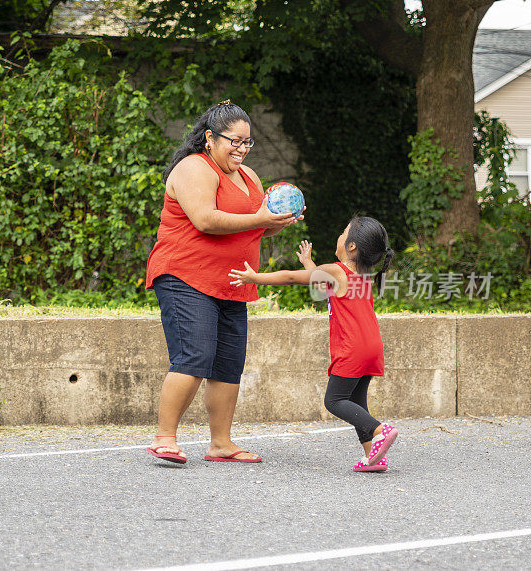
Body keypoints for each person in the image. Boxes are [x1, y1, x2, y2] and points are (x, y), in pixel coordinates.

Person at [145, 100, 300, 465]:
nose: (242, 150)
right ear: (210, 138)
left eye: (248, 143)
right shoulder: (193, 168)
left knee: (229, 362)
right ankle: (164, 437)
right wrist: (260, 217)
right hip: (186, 276)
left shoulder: (249, 177)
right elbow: (205, 220)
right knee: (194, 356)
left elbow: (254, 221)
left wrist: (274, 221)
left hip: (232, 279)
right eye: (235, 141)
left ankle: (221, 443)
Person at [229, 216, 398, 472]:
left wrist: (256, 277)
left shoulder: (338, 270)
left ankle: (380, 430)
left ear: (352, 246)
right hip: (371, 347)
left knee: (335, 400)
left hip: (351, 348)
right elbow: (319, 281)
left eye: (343, 232)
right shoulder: (360, 273)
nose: (339, 237)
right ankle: (373, 457)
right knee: (357, 401)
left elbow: (291, 278)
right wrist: (308, 262)